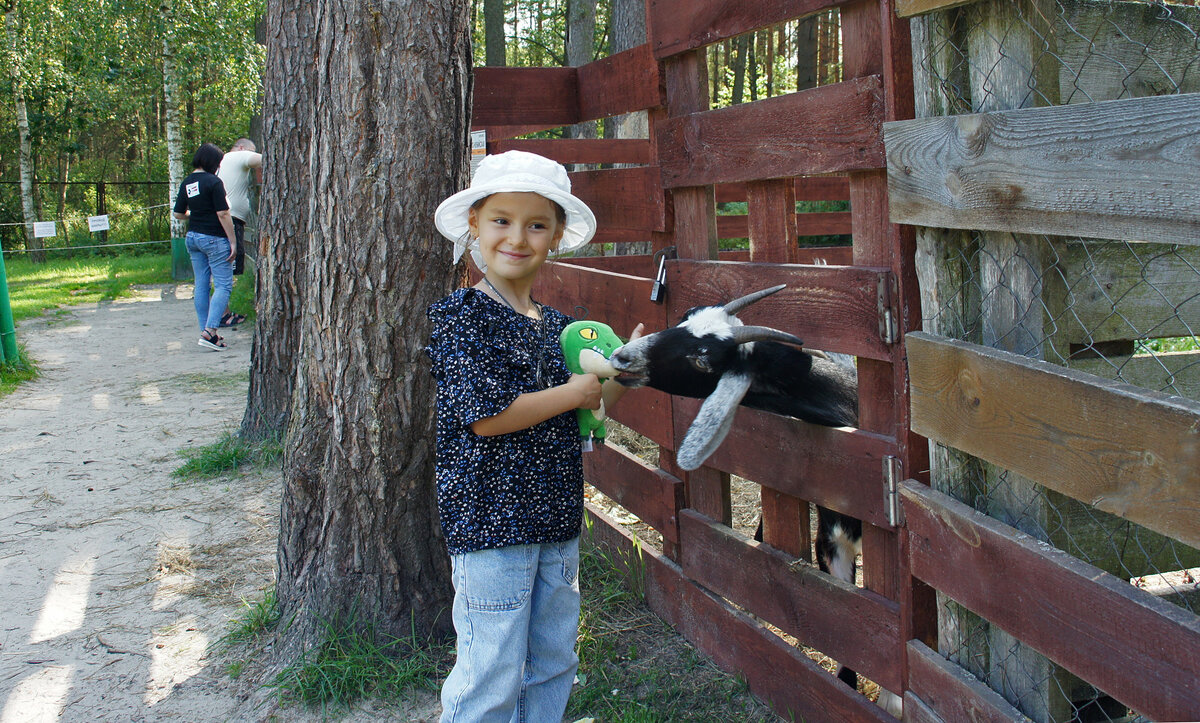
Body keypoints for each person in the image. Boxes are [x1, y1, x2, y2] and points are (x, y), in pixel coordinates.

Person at [425, 150, 643, 723]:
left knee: (552, 660)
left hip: (554, 522)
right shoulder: (460, 318)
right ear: (474, 224)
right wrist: (573, 392)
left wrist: (621, 375)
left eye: (536, 224)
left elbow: (586, 415)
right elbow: (486, 417)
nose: (516, 237)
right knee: (490, 672)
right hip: (491, 528)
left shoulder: (554, 327)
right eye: (501, 220)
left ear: (556, 236)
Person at [173, 143, 238, 350]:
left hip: (192, 237)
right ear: (212, 162)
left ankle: (206, 332)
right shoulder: (214, 182)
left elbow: (178, 214)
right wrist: (233, 241)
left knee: (201, 284)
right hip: (214, 238)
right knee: (223, 285)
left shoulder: (187, 182)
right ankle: (210, 331)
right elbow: (223, 213)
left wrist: (196, 214)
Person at [214, 136, 262, 327]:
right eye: (250, 151)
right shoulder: (238, 157)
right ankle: (223, 314)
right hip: (231, 219)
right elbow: (265, 159)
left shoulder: (221, 163)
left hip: (229, 218)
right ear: (242, 148)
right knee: (227, 268)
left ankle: (220, 312)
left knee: (222, 269)